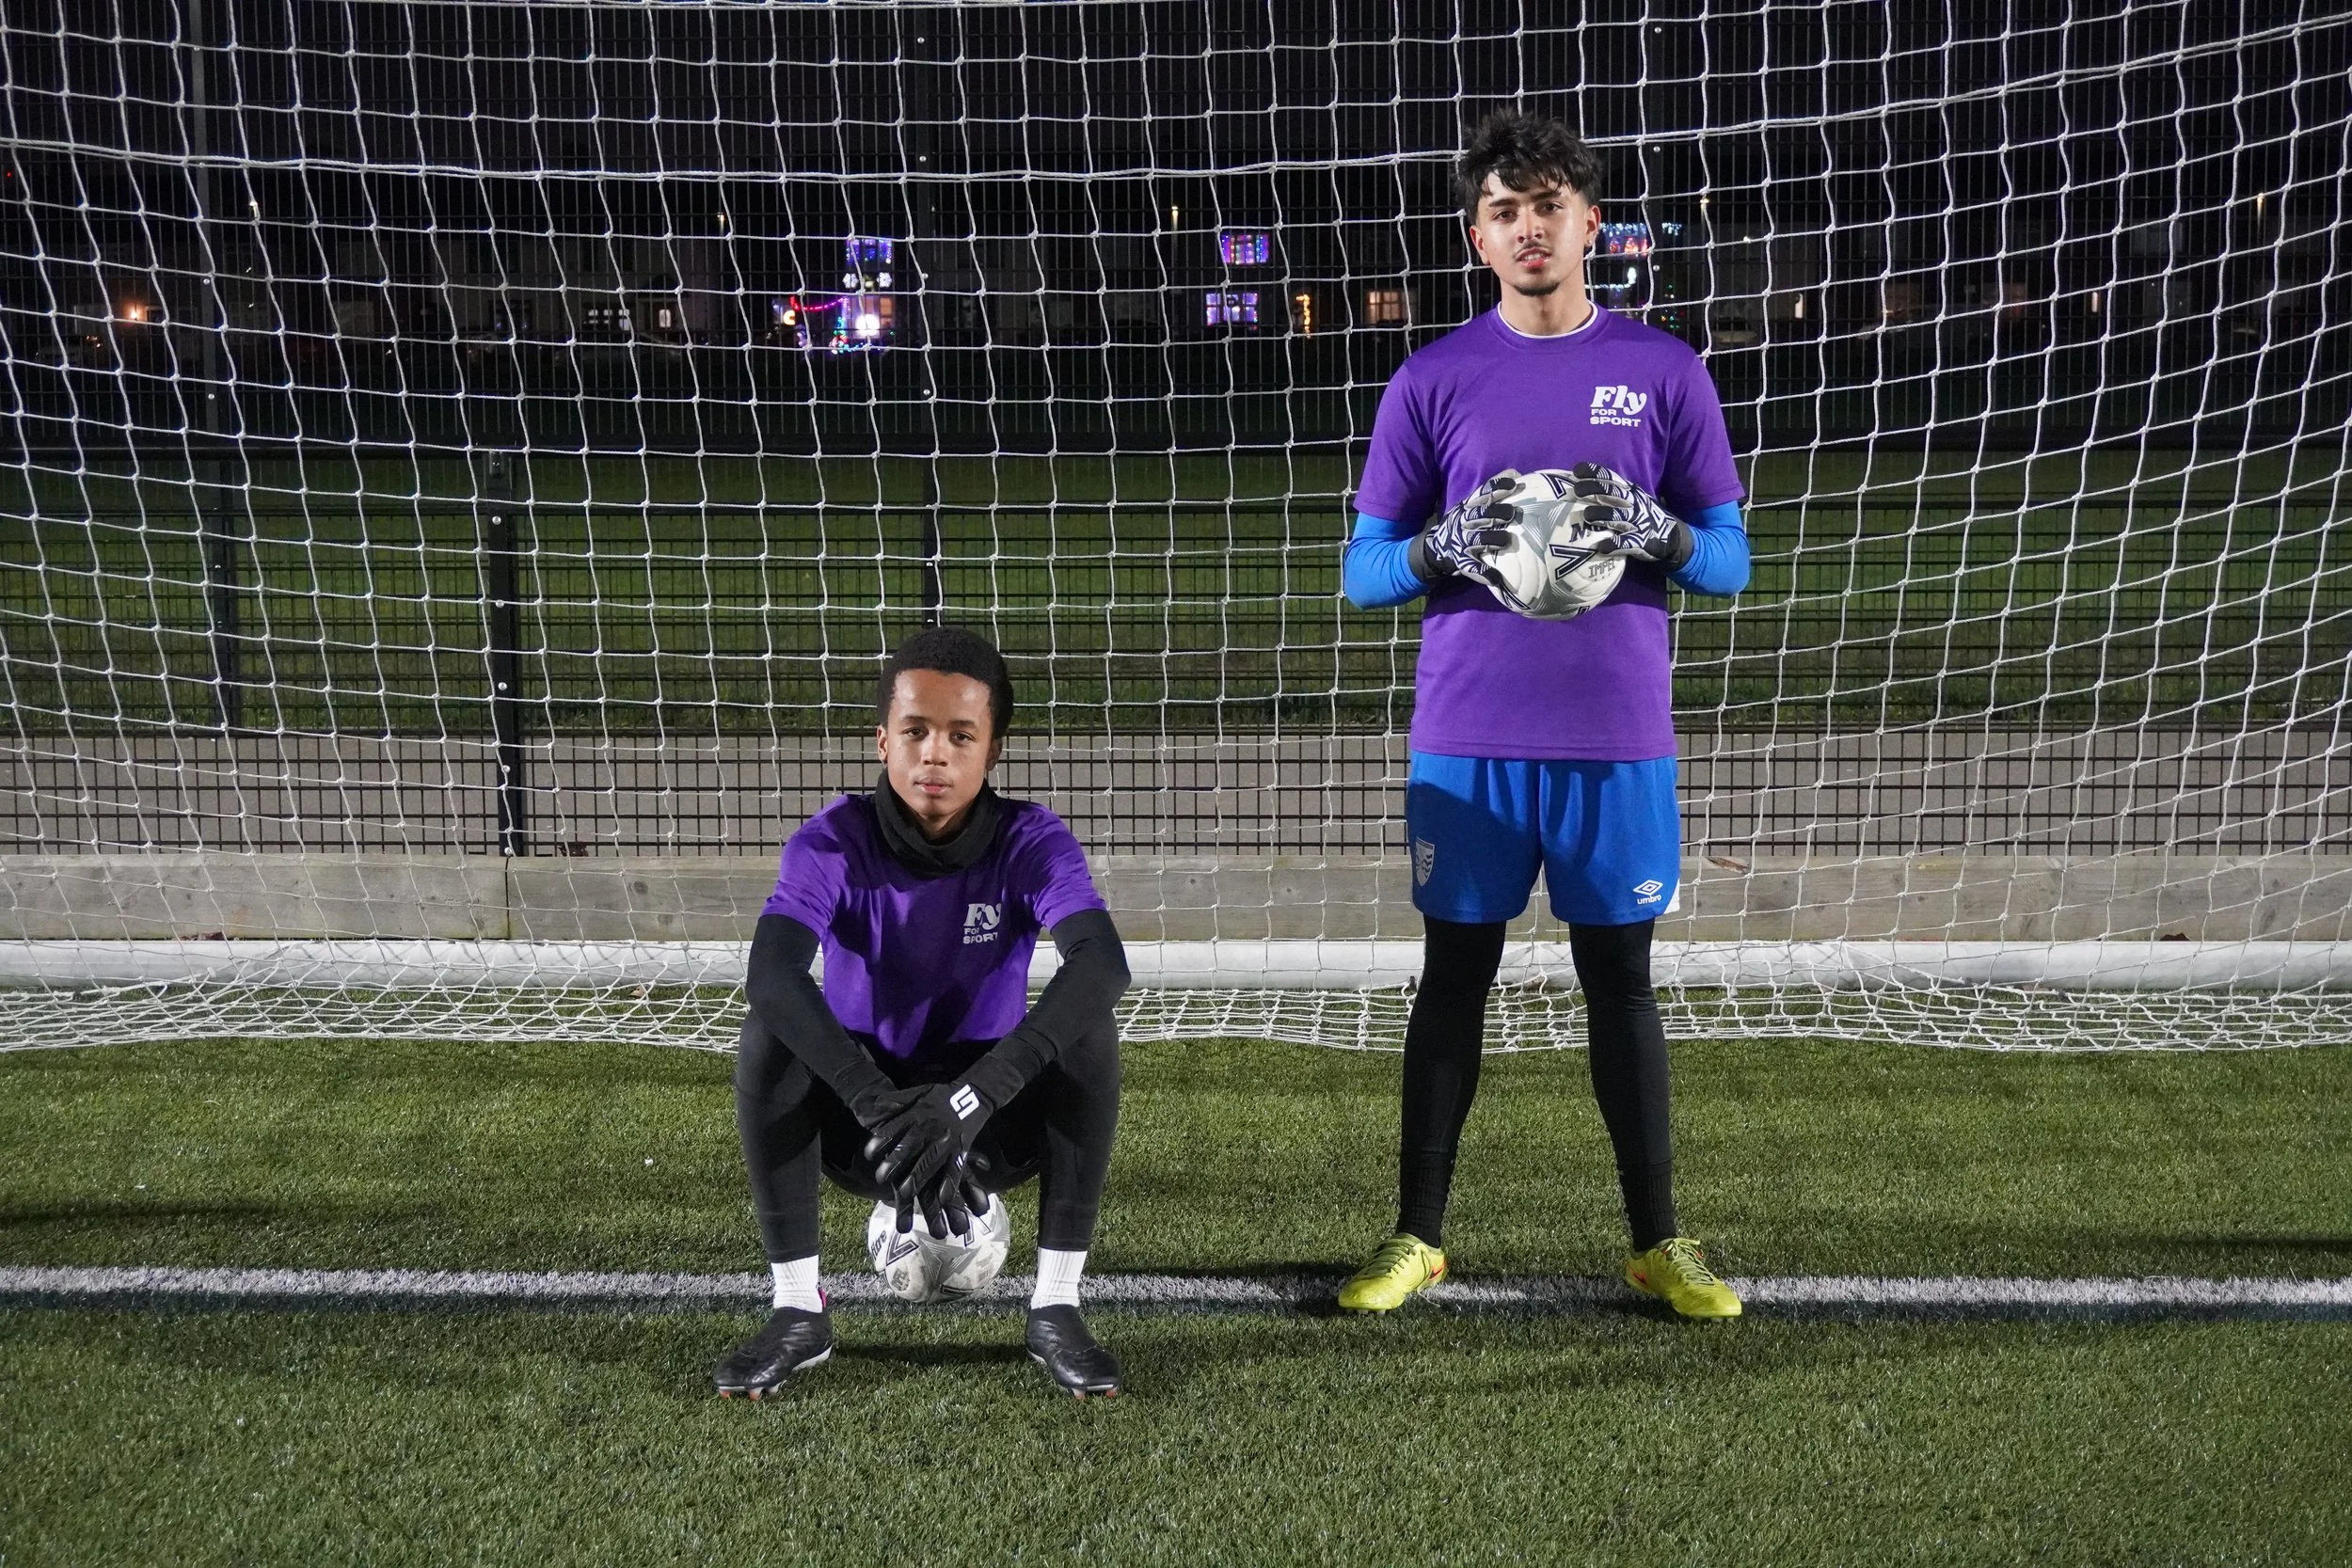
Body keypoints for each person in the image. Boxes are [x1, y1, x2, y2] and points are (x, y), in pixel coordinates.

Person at [1335, 111, 1752, 1318]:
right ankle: (1415, 1234)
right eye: (1506, 210)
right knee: (1449, 981)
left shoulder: (1665, 372)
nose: (1530, 227)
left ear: (1590, 224)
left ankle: (1658, 1240)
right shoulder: (1432, 378)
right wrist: (1439, 546)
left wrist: (1660, 531)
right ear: (1478, 236)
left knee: (1620, 981)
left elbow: (1728, 559)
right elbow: (1364, 571)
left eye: (1550, 205)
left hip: (1615, 737)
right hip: (1467, 740)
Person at [715, 624, 1131, 1397]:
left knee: (1088, 1024)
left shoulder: (1031, 841)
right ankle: (797, 1309)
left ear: (992, 751)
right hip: (867, 1128)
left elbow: (1104, 963)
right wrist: (880, 1106)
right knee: (769, 1025)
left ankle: (1057, 1306)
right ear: (882, 741)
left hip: (985, 1126)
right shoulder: (831, 841)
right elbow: (770, 972)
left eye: (960, 734)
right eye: (915, 731)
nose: (934, 753)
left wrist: (969, 1101)